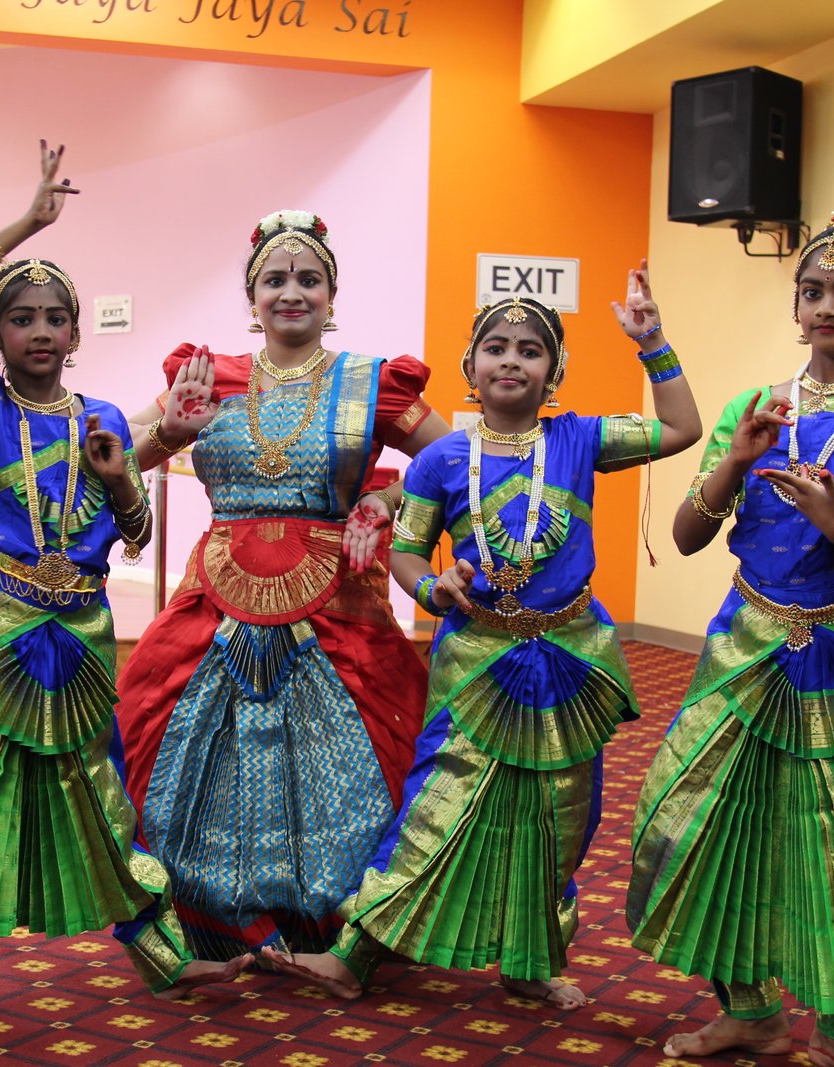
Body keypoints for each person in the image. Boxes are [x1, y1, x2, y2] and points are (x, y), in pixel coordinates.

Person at [263, 267, 703, 1006]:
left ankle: (530, 963)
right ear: (469, 368)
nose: (510, 360)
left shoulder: (580, 439)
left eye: (530, 350)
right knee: (438, 803)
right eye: (495, 347)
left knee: (559, 814)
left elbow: (683, 428)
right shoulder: (439, 460)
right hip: (475, 658)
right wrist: (431, 588)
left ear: (552, 370)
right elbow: (407, 551)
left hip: (569, 658)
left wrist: (652, 343)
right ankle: (356, 953)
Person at [0, 144, 249, 1027]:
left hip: (79, 631)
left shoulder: (104, 420)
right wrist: (28, 225)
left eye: (55, 318)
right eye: (21, 318)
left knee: (101, 795)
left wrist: (123, 477)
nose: (40, 331)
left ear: (77, 335)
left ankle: (162, 958)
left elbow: (136, 534)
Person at [627, 206, 834, 1067]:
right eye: (811, 290)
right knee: (701, 829)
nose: (825, 307)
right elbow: (689, 532)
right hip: (746, 650)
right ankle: (750, 1011)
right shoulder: (758, 403)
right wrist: (736, 462)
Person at [115, 210, 451, 962]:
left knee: (360, 764)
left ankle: (338, 928)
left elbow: (459, 460)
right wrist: (168, 430)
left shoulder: (376, 383)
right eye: (275, 279)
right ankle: (213, 924)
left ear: (333, 296)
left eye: (309, 279)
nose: (291, 291)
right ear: (252, 294)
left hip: (337, 603)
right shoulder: (208, 375)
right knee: (171, 745)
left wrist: (386, 501)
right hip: (218, 600)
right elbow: (116, 455)